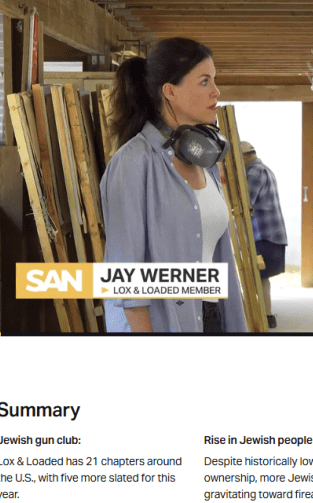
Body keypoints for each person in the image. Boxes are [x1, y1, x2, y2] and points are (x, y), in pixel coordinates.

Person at [100, 37, 247, 333]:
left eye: (214, 80)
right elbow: (124, 277)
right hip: (160, 325)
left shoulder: (203, 161)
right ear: (170, 91)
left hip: (211, 314)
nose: (216, 92)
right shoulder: (132, 164)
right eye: (204, 82)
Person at [239, 141, 288, 329]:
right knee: (262, 277)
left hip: (264, 235)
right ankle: (267, 315)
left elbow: (246, 203)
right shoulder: (265, 169)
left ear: (243, 157)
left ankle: (263, 316)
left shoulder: (254, 172)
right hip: (271, 235)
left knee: (258, 276)